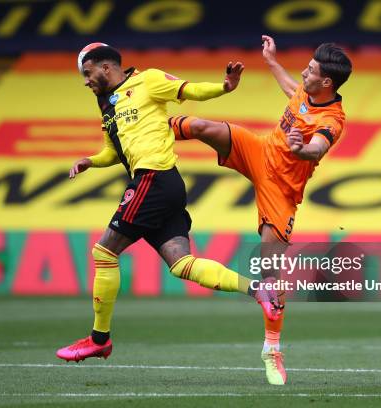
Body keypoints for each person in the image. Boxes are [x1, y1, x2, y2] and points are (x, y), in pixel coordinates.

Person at [56, 43, 282, 365]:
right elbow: (113, 151)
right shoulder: (106, 105)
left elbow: (188, 89)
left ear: (106, 68)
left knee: (104, 252)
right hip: (164, 184)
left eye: (88, 73)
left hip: (154, 178)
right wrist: (90, 161)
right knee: (181, 264)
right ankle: (258, 290)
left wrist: (225, 87)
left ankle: (98, 340)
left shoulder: (147, 81)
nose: (85, 81)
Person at [169, 35, 352, 385]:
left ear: (327, 82)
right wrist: (270, 61)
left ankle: (272, 350)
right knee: (199, 126)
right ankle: (141, 139)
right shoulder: (307, 90)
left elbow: (316, 150)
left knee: (270, 273)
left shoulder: (332, 119)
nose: (304, 72)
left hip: (281, 190)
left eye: (311, 70)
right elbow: (290, 90)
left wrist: (300, 150)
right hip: (260, 151)